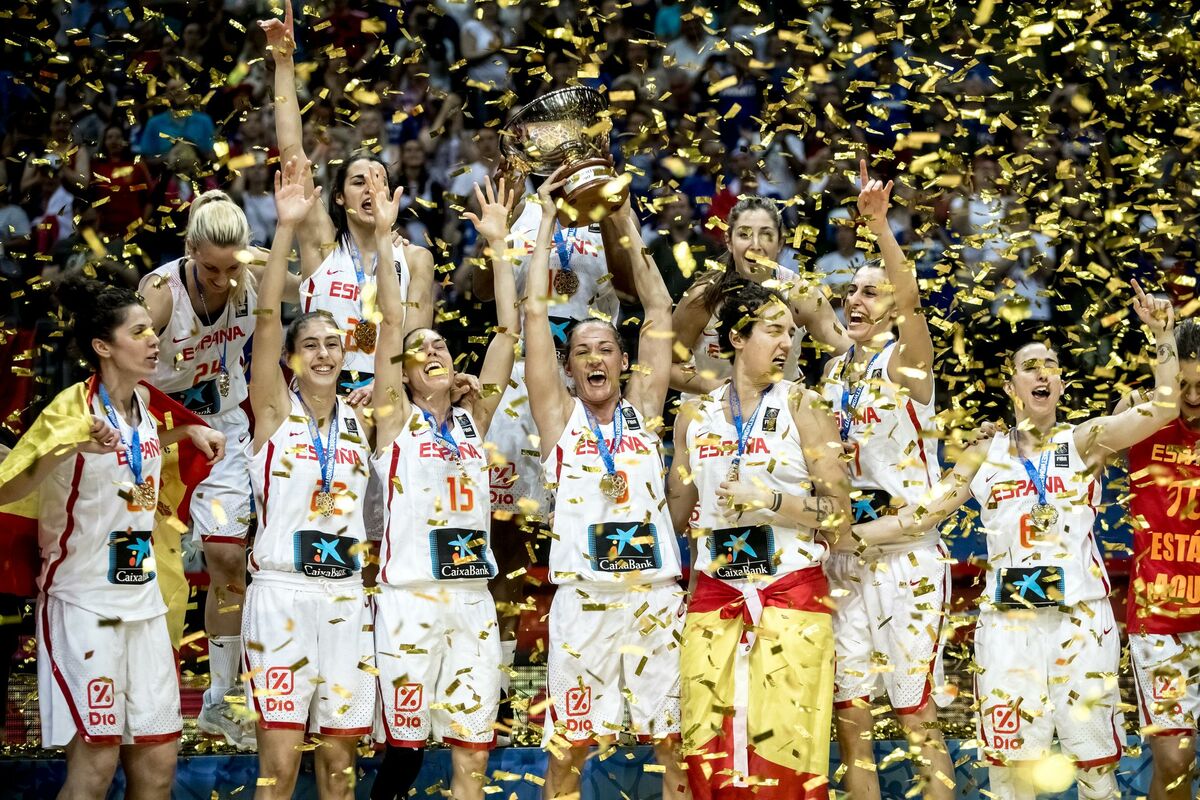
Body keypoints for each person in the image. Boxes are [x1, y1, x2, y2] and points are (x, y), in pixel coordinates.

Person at [854, 281, 1178, 800]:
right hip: (1007, 627)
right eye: (1030, 367)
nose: (1042, 373)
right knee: (1010, 772)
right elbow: (922, 515)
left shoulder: (1087, 440)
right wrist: (845, 535)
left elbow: (1163, 407)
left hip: (1081, 622)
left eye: (1051, 366)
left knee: (1095, 768)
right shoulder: (983, 453)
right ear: (1011, 386)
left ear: (1062, 384)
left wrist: (1162, 336)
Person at [0, 274, 224, 800]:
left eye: (152, 329)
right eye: (139, 331)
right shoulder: (69, 409)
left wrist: (188, 430)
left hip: (143, 605)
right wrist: (67, 447)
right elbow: (8, 487)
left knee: (158, 769)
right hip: (84, 605)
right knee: (96, 768)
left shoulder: (146, 405)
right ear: (103, 347)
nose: (153, 340)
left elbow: (140, 447)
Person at [524, 172, 687, 799]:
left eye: (607, 348)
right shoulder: (558, 418)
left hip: (653, 599)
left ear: (623, 361)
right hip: (584, 600)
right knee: (568, 750)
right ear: (568, 368)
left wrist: (619, 216)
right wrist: (546, 217)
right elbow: (534, 312)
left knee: (671, 746)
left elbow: (659, 308)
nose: (595, 357)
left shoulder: (644, 410)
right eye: (583, 351)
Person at [667, 283, 849, 798]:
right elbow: (674, 517)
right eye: (774, 331)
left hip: (790, 593)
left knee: (787, 754)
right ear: (737, 338)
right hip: (714, 597)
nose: (787, 342)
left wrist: (771, 500)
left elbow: (839, 516)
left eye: (791, 332)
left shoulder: (803, 405)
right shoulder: (693, 416)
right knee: (707, 750)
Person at [371, 173, 519, 800]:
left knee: (473, 755)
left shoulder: (472, 416)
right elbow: (389, 326)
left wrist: (500, 248)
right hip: (410, 600)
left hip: (472, 600)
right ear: (401, 374)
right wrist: (386, 241)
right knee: (403, 757)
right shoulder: (392, 417)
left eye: (441, 345)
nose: (433, 350)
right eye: (420, 349)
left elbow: (508, 335)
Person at [139, 191, 296, 749]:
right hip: (158, 429)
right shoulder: (160, 294)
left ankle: (222, 700)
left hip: (223, 428)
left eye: (235, 268)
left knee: (229, 557)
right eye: (212, 269)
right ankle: (140, 692)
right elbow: (117, 365)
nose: (226, 280)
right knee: (143, 563)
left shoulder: (252, 274)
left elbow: (316, 287)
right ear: (189, 250)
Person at [818, 162, 955, 800]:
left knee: (915, 715)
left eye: (872, 293)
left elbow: (913, 299)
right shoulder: (829, 375)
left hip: (907, 556)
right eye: (851, 290)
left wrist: (879, 228)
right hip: (847, 560)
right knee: (851, 719)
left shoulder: (907, 364)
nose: (856, 300)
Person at [242, 157, 375, 799]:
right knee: (280, 769)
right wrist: (287, 229)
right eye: (311, 345)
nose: (323, 353)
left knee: (340, 773)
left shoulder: (363, 418)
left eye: (333, 344)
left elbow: (396, 328)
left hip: (346, 597)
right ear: (293, 358)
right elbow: (268, 317)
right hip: (282, 598)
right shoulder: (273, 409)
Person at [260, 0, 435, 407]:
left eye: (380, 181)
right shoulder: (322, 246)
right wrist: (284, 65)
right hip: (317, 396)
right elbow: (292, 153)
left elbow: (417, 342)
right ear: (339, 196)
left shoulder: (416, 260)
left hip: (386, 400)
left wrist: (385, 385)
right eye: (359, 182)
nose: (371, 190)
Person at [1118, 318, 1200, 800]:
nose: (1193, 396)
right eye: (1183, 384)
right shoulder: (1140, 415)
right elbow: (1082, 448)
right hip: (1159, 621)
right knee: (1174, 761)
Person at [670, 195, 847, 397]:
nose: (755, 245)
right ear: (729, 241)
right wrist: (714, 387)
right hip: (710, 410)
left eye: (766, 234)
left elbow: (851, 353)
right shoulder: (703, 297)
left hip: (782, 412)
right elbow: (665, 364)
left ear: (780, 242)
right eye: (744, 234)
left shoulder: (800, 294)